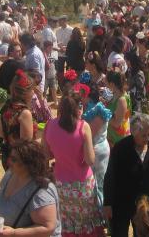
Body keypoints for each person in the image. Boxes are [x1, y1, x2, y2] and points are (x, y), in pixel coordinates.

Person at [43, 92, 102, 237]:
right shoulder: (83, 126)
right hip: (82, 185)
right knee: (86, 221)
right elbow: (90, 160)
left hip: (61, 183)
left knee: (67, 221)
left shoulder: (49, 125)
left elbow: (46, 155)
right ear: (78, 108)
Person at [103, 113, 149, 237]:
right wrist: (108, 203)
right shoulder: (121, 148)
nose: (147, 138)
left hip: (145, 202)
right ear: (133, 133)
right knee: (119, 232)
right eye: (144, 135)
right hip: (122, 202)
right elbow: (110, 176)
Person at [0, 139, 61, 236]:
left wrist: (14, 233)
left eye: (14, 159)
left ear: (28, 164)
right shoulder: (11, 174)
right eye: (9, 157)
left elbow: (48, 228)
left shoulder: (41, 191)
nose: (8, 161)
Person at [79, 82, 112, 210]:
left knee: (98, 184)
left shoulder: (98, 111)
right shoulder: (88, 107)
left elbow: (89, 134)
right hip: (92, 149)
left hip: (97, 150)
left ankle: (101, 213)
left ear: (87, 95)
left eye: (81, 94)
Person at [0, 70, 35, 170]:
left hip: (7, 156)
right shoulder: (24, 113)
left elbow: (1, 133)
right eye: (32, 90)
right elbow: (26, 143)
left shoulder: (6, 107)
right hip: (21, 160)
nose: (33, 93)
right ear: (25, 93)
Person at [106, 70, 131, 146]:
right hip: (113, 137)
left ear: (112, 84)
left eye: (107, 82)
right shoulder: (116, 94)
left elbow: (117, 124)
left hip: (119, 140)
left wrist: (103, 116)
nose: (105, 84)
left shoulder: (121, 100)